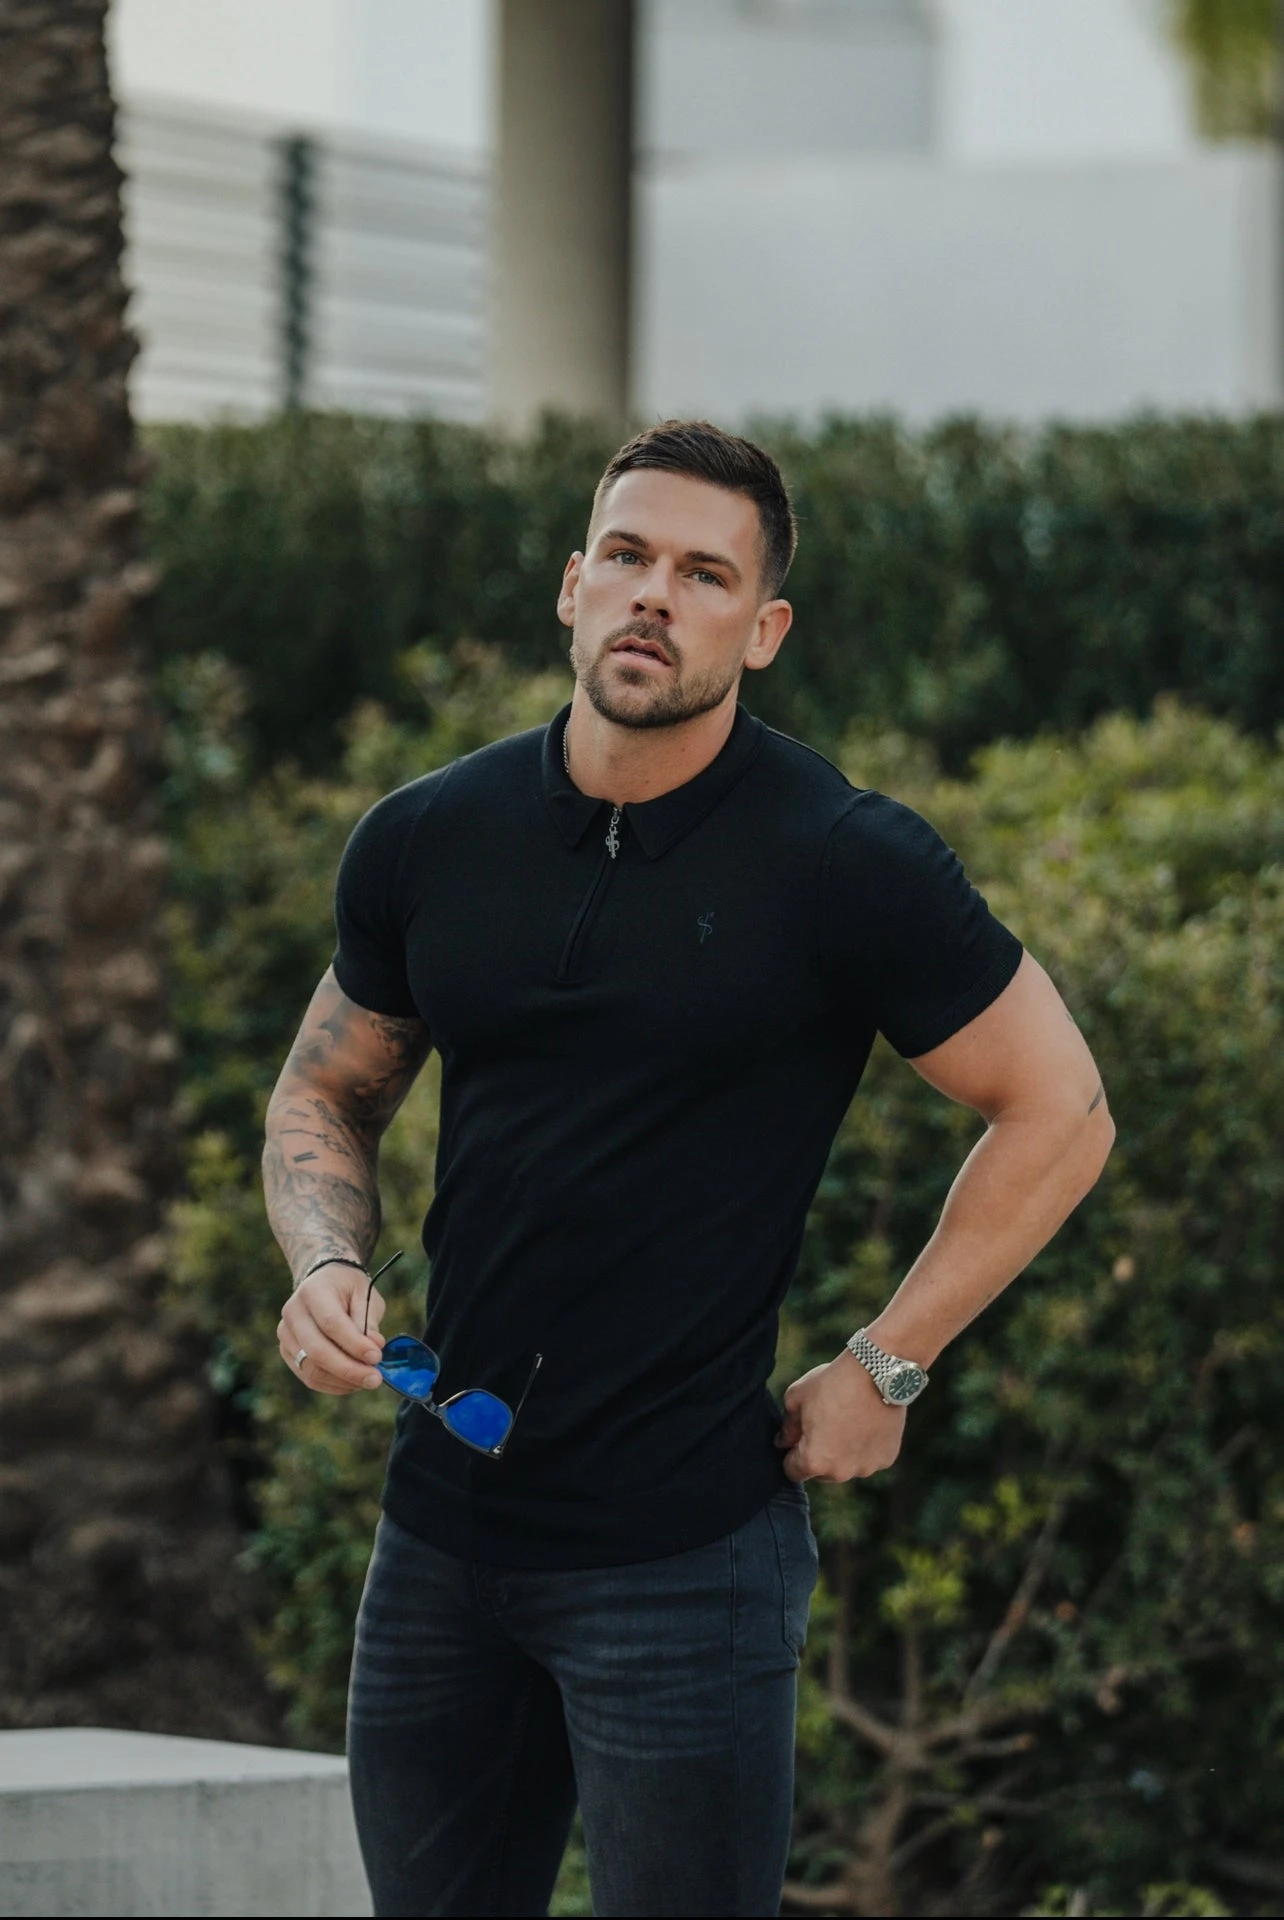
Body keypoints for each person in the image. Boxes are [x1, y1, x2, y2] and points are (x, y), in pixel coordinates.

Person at [263, 420, 1114, 1918]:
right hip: (442, 1542)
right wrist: (325, 1263)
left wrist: (888, 1364)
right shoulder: (429, 837)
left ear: (763, 629)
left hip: (686, 1560)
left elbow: (1062, 1110)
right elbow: (327, 1088)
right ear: (573, 584)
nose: (656, 594)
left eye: (706, 574)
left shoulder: (844, 858)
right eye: (629, 555)